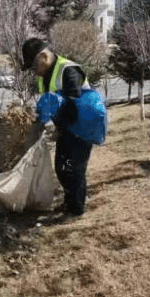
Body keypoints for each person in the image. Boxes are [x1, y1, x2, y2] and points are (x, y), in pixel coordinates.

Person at [21, 37, 93, 217]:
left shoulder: (68, 71)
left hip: (81, 127)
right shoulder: (45, 76)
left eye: (34, 66)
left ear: (43, 56)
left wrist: (55, 125)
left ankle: (76, 209)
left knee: (74, 169)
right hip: (65, 129)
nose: (33, 71)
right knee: (62, 168)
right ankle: (69, 203)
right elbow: (48, 104)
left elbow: (75, 107)